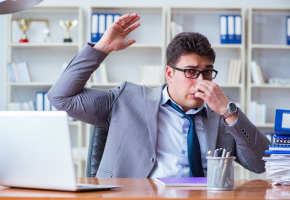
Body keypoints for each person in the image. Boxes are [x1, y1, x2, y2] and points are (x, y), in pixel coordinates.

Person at [48, 13, 270, 178]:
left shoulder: (223, 116)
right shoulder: (126, 99)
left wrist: (229, 112)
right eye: (191, 71)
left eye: (207, 72)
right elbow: (60, 97)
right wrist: (102, 48)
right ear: (169, 73)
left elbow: (262, 164)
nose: (201, 80)